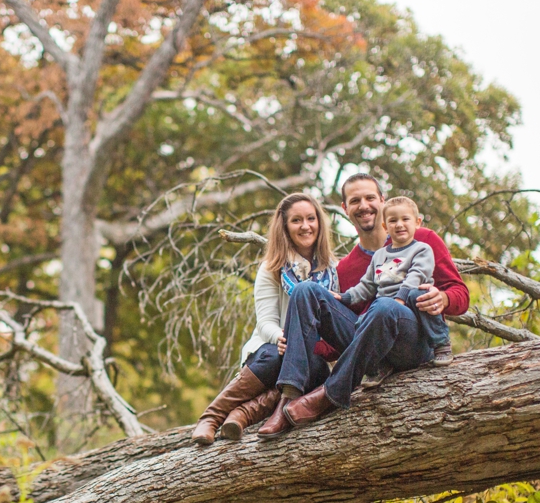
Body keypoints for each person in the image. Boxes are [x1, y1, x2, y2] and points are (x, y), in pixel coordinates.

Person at [257, 173, 469, 437]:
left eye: (370, 197)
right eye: (355, 200)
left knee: (384, 307)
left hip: (411, 344)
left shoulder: (422, 240)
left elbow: (461, 295)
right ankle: (288, 397)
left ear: (382, 201)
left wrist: (444, 298)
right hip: (371, 356)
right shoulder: (345, 268)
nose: (364, 205)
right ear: (345, 209)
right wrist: (297, 348)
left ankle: (331, 392)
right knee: (305, 290)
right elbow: (343, 338)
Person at [191, 193, 338, 445]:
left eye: (311, 219)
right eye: (296, 220)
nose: (305, 226)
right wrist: (281, 338)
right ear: (285, 227)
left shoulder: (332, 270)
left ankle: (240, 415)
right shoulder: (272, 267)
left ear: (319, 223)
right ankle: (212, 417)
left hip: (311, 356)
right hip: (271, 348)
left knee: (314, 368)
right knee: (276, 355)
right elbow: (265, 321)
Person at [335, 196, 452, 362]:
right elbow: (367, 285)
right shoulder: (380, 255)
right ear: (385, 226)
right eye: (393, 220)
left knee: (419, 294)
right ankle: (379, 363)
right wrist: (345, 297)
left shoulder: (422, 249)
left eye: (405, 219)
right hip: (386, 307)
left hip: (411, 310)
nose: (399, 224)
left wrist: (401, 297)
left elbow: (417, 275)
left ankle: (441, 343)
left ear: (417, 222)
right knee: (362, 321)